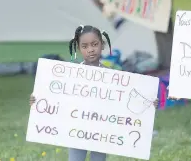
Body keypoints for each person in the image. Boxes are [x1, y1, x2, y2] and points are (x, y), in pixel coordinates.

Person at [29, 25, 159, 161]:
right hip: (76, 130)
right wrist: (37, 101)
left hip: (101, 132)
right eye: (85, 46)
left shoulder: (115, 76)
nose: (90, 49)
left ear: (102, 45)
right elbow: (56, 99)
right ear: (79, 49)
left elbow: (126, 101)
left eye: (94, 44)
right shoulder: (69, 77)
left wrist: (149, 104)